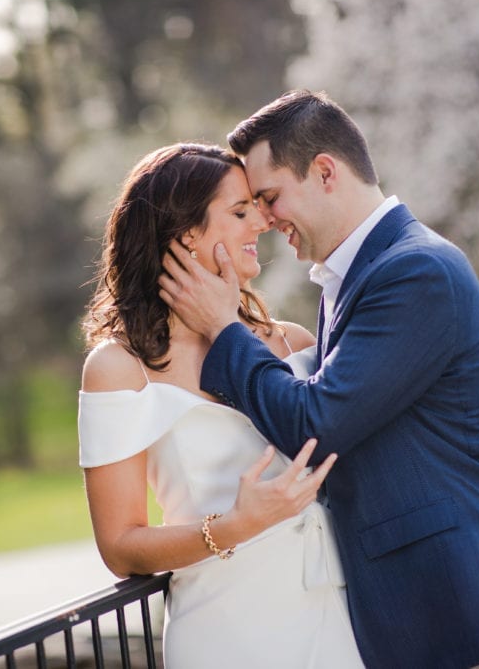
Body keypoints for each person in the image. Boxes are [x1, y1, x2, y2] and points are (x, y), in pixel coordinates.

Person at [159, 91, 479, 668]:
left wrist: (223, 327)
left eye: (269, 198)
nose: (265, 220)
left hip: (459, 610)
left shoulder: (415, 270)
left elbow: (315, 425)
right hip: (416, 613)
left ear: (324, 171)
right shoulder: (354, 276)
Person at [78, 142, 366, 668]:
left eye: (258, 205)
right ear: (186, 235)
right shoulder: (120, 369)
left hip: (338, 620)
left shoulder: (296, 344)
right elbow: (120, 545)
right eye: (239, 212)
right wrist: (233, 526)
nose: (262, 221)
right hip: (229, 634)